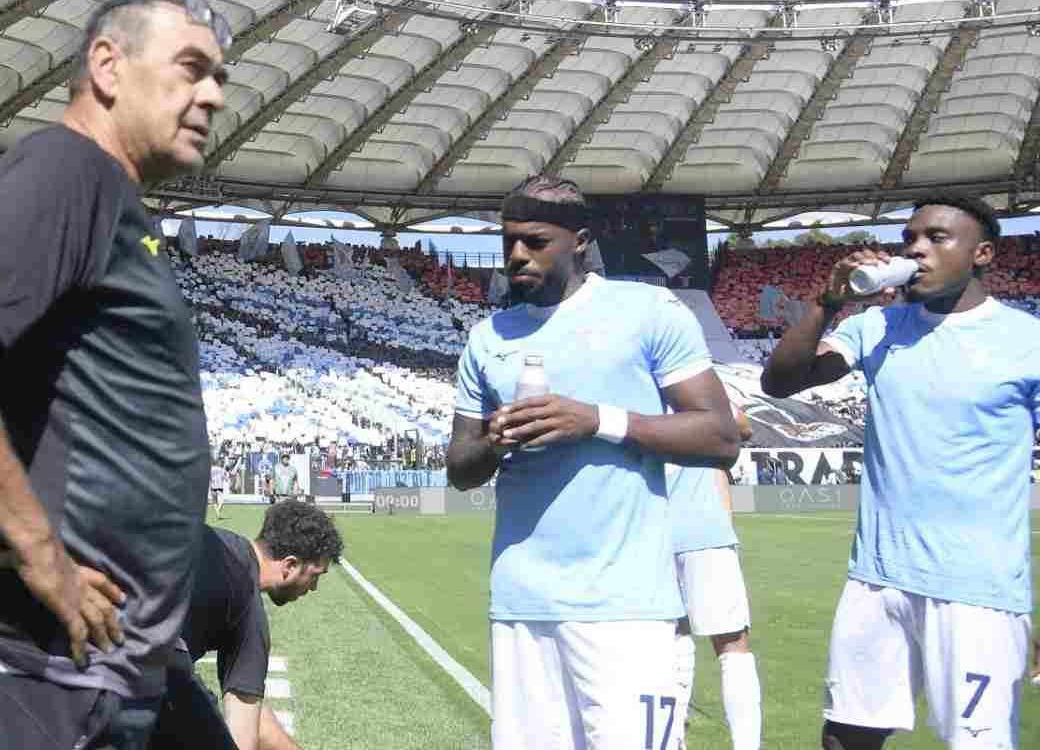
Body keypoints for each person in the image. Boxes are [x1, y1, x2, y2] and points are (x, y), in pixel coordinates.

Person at [0, 0, 230, 750]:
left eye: (220, 77)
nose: (214, 96)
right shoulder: (72, 167)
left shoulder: (112, 199)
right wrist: (42, 555)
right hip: (41, 667)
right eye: (192, 69)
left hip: (111, 667)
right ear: (108, 65)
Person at [446, 175, 741, 750]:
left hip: (626, 606)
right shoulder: (488, 337)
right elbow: (460, 468)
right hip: (522, 603)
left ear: (579, 241)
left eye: (534, 241)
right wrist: (494, 439)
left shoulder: (649, 310)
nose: (515, 256)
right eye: (508, 241)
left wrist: (597, 420)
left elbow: (720, 435)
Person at [760, 196, 1040, 749]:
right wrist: (827, 301)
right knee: (845, 738)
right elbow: (781, 383)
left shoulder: (1027, 342)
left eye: (937, 238)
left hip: (976, 591)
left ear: (981, 253)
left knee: (978, 742)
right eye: (910, 238)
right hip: (877, 579)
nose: (915, 249)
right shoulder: (877, 325)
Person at [148, 501, 343, 750]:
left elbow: (253, 708)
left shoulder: (216, 540)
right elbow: (243, 728)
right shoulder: (249, 608)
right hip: (135, 665)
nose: (313, 587)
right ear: (290, 565)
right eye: (315, 576)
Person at [668, 411, 761, 750]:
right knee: (733, 646)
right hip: (706, 530)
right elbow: (742, 425)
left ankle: (672, 738)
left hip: (650, 532)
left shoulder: (632, 387)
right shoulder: (694, 392)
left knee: (673, 640)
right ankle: (746, 745)